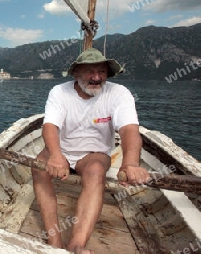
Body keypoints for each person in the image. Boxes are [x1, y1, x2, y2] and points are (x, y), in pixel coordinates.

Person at [32, 48, 151, 254]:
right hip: (62, 147)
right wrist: (57, 155)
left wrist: (131, 163)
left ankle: (77, 244)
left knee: (96, 170)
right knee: (39, 168)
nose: (96, 77)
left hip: (94, 152)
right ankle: (54, 241)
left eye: (102, 72)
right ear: (76, 73)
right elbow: (50, 126)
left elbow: (129, 130)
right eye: (89, 71)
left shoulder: (119, 93)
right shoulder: (59, 92)